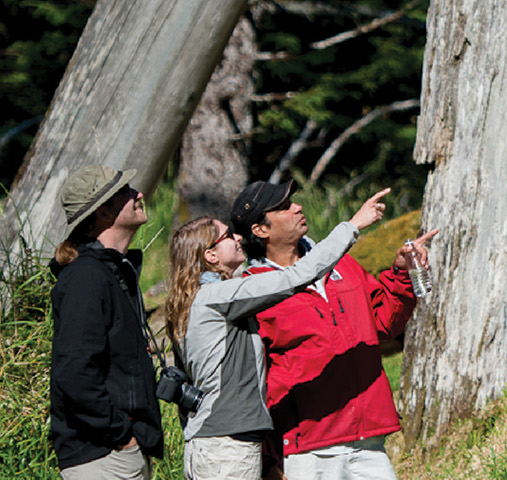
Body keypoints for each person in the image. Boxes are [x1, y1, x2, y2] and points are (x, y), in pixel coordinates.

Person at [158, 188, 397, 480]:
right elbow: (294, 277)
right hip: (227, 445)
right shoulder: (219, 296)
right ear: (210, 255)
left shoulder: (196, 299)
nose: (237, 238)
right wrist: (352, 226)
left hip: (214, 441)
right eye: (226, 237)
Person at [228, 180, 436, 480]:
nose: (297, 207)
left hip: (369, 441)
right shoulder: (253, 291)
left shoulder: (343, 265)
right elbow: (251, 384)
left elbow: (385, 323)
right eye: (284, 207)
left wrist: (402, 273)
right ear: (261, 230)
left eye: (293, 201)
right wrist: (268, 459)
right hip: (307, 449)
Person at [47, 165, 160, 479]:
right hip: (103, 457)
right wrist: (121, 436)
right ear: (102, 211)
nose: (138, 194)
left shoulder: (110, 273)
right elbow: (73, 372)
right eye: (125, 192)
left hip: (117, 454)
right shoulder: (86, 277)